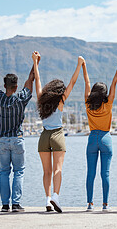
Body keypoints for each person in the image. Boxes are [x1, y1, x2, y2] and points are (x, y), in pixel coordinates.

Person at [0, 44, 34, 212]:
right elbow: (30, 79)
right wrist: (35, 62)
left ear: (4, 86)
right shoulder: (21, 99)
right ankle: (16, 204)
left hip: (2, 140)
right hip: (17, 139)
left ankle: (5, 205)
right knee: (18, 172)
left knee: (4, 172)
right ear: (16, 87)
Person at [32, 51, 84, 213]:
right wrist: (79, 65)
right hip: (57, 136)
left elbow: (38, 81)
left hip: (44, 137)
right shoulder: (61, 100)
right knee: (57, 169)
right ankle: (56, 196)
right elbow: (73, 82)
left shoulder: (41, 98)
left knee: (46, 171)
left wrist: (35, 63)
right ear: (60, 91)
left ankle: (47, 199)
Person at [82, 57, 117, 212]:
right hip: (106, 138)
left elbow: (86, 82)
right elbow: (114, 82)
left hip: (92, 138)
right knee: (105, 174)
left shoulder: (88, 103)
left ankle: (89, 204)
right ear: (105, 94)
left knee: (90, 173)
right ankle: (105, 205)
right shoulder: (108, 103)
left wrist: (84, 66)